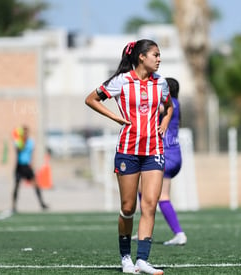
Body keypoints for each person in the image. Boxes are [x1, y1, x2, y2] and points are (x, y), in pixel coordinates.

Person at [85, 39, 172, 274]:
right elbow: (91, 99)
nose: (159, 58)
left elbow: (169, 105)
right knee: (127, 207)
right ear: (141, 57)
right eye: (155, 54)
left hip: (154, 150)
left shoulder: (161, 83)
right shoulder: (121, 81)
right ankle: (126, 257)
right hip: (128, 150)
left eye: (159, 55)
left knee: (150, 204)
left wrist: (163, 123)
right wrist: (115, 117)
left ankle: (142, 260)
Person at [133, 77, 187, 246]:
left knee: (162, 196)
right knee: (142, 188)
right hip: (174, 155)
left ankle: (179, 233)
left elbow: (154, 108)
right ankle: (145, 229)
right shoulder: (176, 103)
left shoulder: (169, 105)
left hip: (166, 155)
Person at [12, 125, 48, 213]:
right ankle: (14, 206)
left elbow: (32, 154)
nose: (25, 134)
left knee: (36, 184)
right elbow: (18, 150)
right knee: (16, 186)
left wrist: (33, 164)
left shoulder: (31, 142)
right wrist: (21, 141)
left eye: (27, 132)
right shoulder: (18, 142)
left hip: (27, 166)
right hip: (19, 166)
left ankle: (42, 203)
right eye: (24, 132)